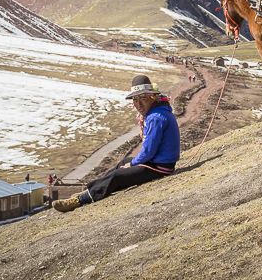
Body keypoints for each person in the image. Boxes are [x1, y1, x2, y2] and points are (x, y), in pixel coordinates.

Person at [53, 75, 180, 212]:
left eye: (143, 98)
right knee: (122, 163)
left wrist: (132, 164)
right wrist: (130, 163)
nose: (139, 104)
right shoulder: (157, 113)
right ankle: (90, 190)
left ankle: (80, 200)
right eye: (135, 99)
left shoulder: (155, 117)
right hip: (157, 162)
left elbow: (148, 151)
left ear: (152, 97)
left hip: (159, 167)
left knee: (117, 176)